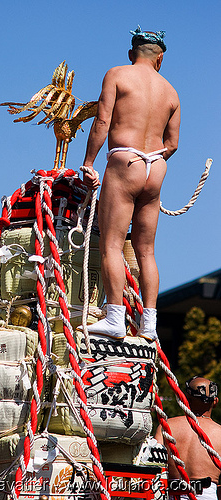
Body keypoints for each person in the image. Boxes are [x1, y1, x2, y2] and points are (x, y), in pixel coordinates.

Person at [81, 26, 180, 341]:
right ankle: (149, 323)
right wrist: (151, 159)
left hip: (126, 162)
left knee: (111, 244)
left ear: (131, 53)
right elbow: (173, 143)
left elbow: (102, 121)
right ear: (159, 58)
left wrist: (88, 163)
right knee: (146, 250)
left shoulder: (117, 74)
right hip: (156, 167)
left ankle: (115, 318)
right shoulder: (171, 92)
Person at [155, 376, 221, 500]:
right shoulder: (219, 432)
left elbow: (152, 464)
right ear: (215, 402)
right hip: (207, 494)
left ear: (186, 399)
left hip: (171, 492)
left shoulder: (166, 426)